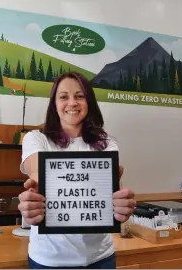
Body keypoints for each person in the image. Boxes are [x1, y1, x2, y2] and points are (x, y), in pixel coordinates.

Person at [18, 71, 136, 269]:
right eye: (64, 97)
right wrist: (38, 187)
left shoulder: (106, 143)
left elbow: (111, 196)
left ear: (89, 102)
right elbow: (37, 168)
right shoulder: (36, 138)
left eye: (79, 96)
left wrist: (121, 207)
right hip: (50, 260)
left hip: (101, 258)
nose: (72, 103)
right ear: (54, 105)